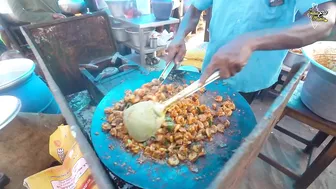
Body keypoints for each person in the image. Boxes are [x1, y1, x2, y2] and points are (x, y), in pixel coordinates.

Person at [167, 0, 336, 104]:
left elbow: (322, 18)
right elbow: (195, 9)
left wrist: (252, 41)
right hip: (213, 64)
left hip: (252, 74)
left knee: (231, 128)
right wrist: (180, 35)